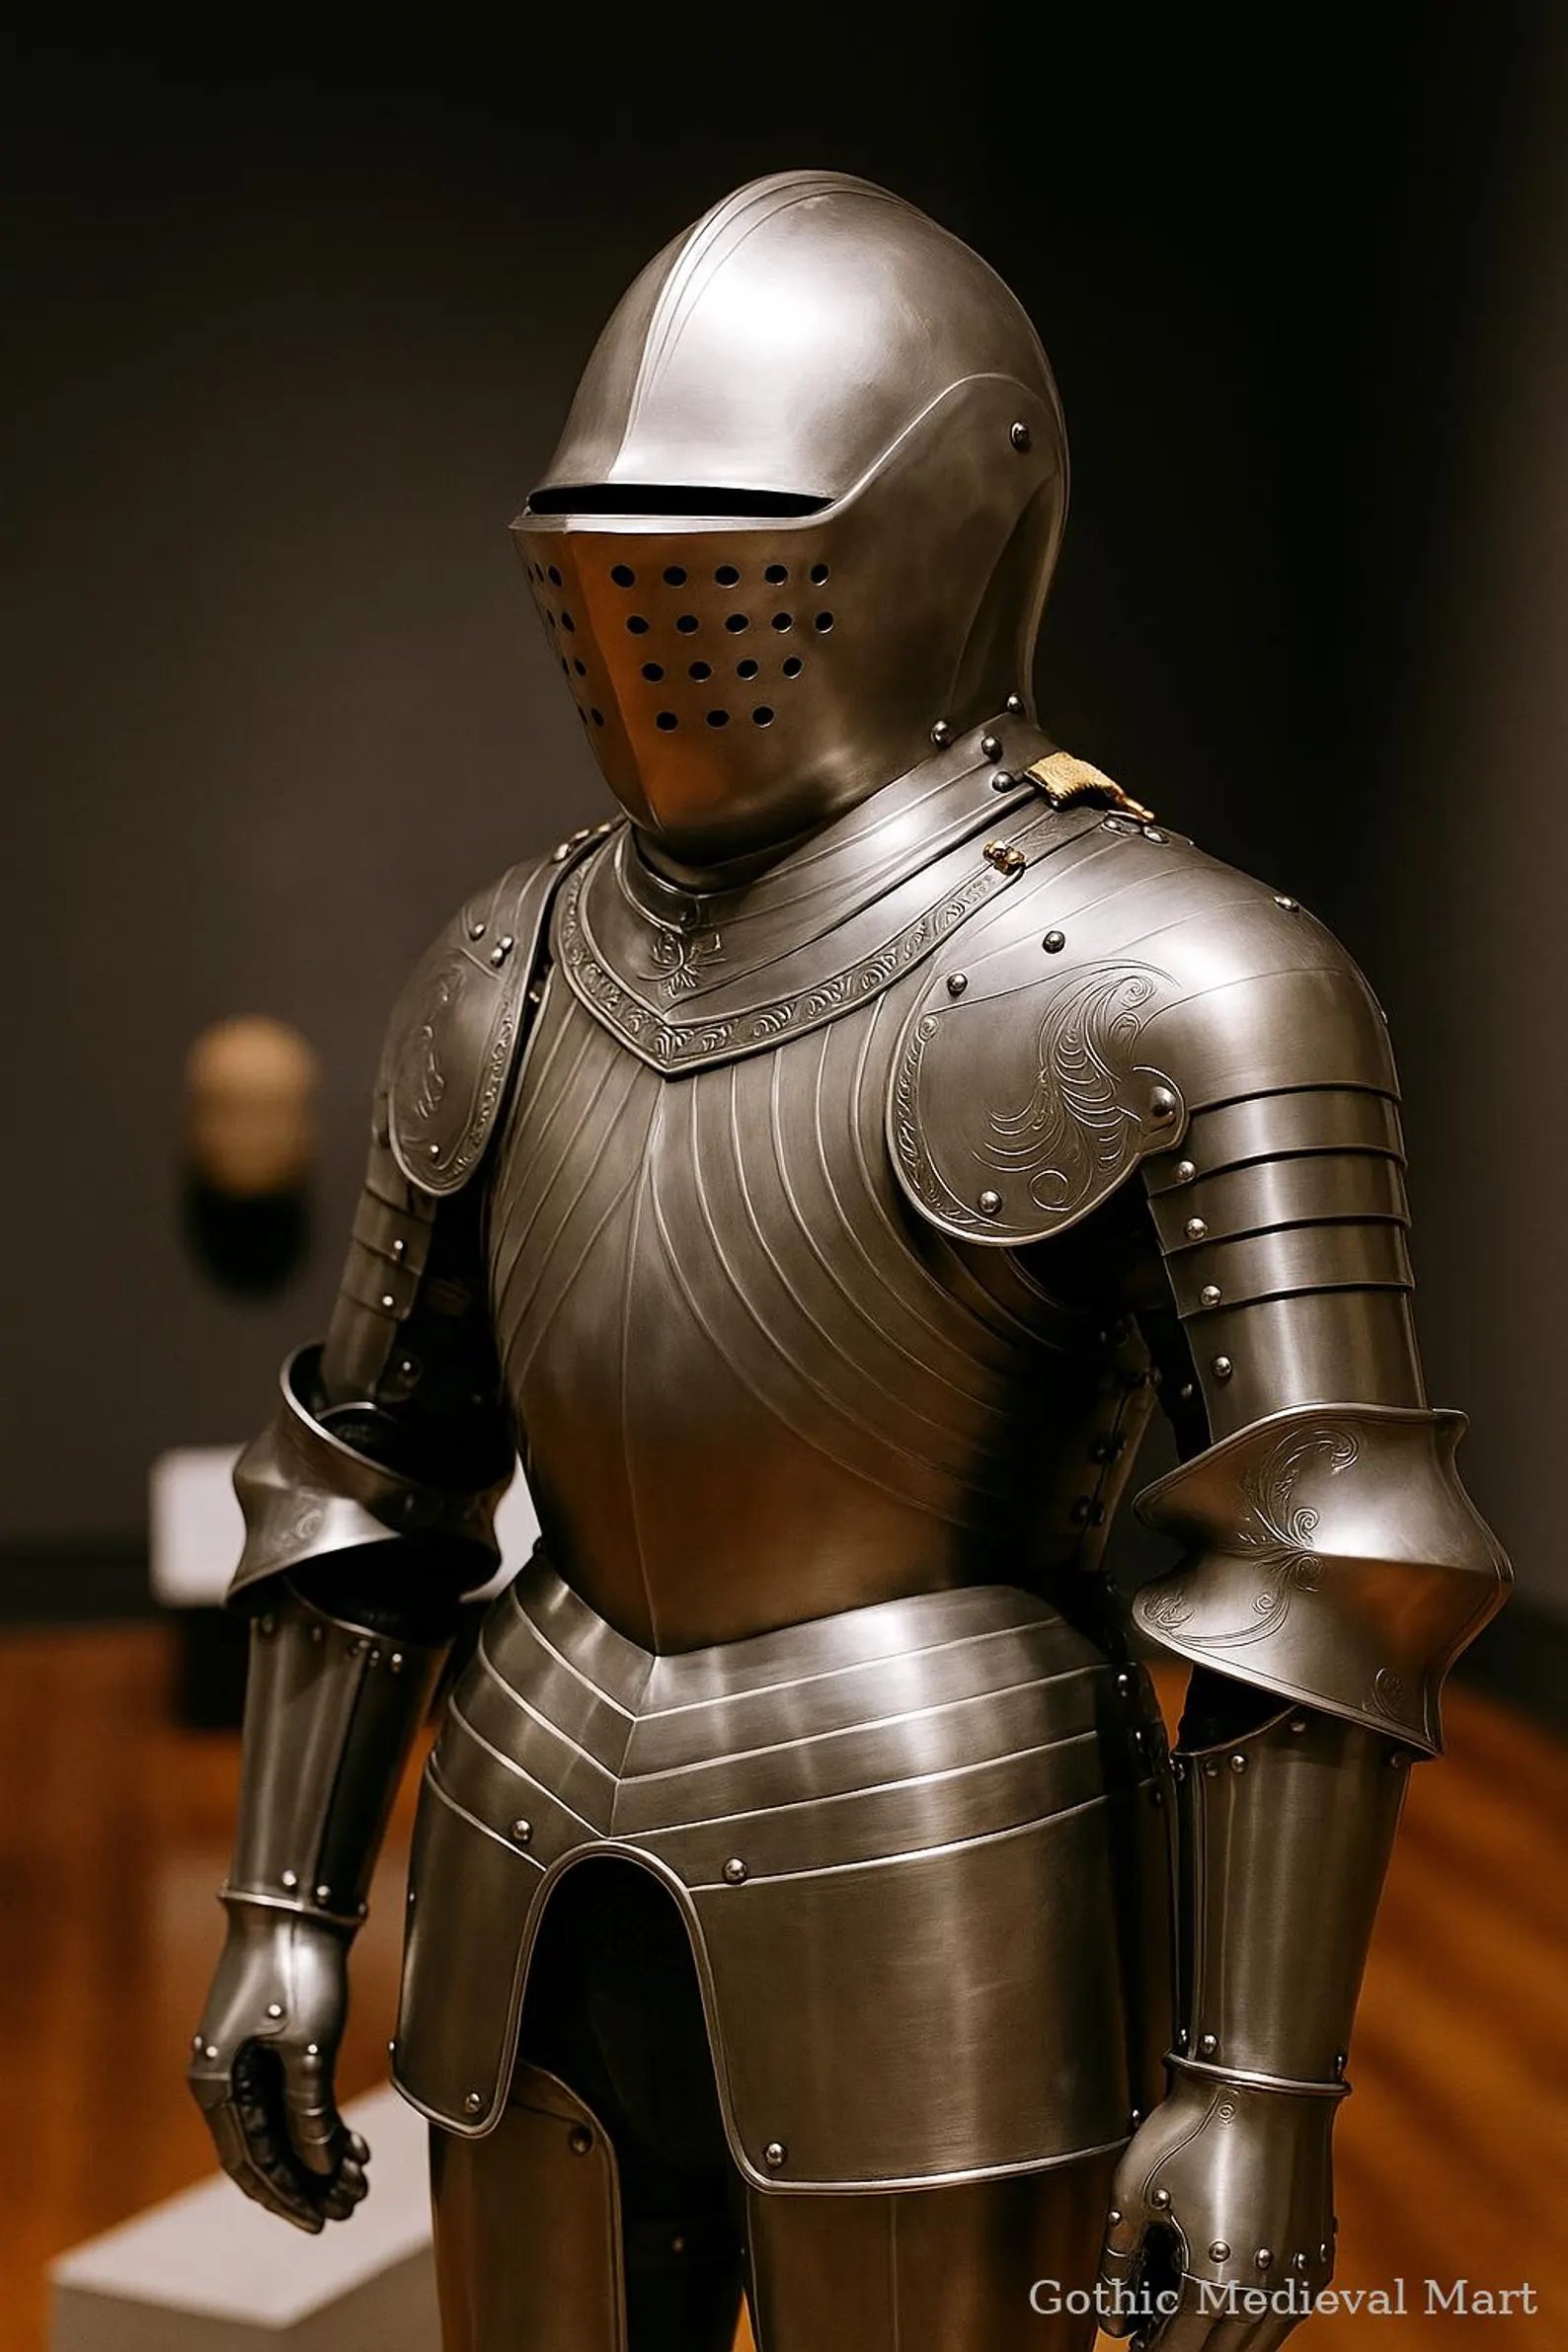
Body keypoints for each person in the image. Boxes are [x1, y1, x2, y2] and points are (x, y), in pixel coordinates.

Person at [190, 170, 1509, 2352]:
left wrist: (1250, 2090)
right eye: (604, 560)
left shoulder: (1183, 976)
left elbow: (1316, 1575)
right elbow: (369, 1473)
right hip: (520, 1836)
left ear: (955, 516)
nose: (651, 613)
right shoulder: (506, 961)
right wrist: (282, 1908)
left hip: (945, 1851)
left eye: (721, 541)